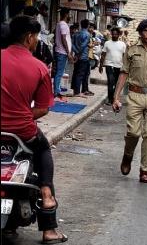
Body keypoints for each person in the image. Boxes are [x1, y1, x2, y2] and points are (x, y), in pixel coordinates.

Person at [1, 16, 68, 243]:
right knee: (43, 150)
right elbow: (42, 108)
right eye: (36, 37)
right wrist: (21, 116)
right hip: (23, 131)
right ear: (30, 37)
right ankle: (47, 206)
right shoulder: (39, 67)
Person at [112, 19, 147, 184]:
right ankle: (128, 155)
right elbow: (123, 73)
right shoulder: (131, 49)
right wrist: (116, 97)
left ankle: (145, 170)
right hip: (135, 96)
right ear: (140, 32)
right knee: (133, 133)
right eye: (146, 31)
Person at [99, 27, 127, 105]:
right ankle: (110, 99)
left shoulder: (122, 44)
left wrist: (125, 67)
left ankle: (115, 97)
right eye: (113, 34)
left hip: (119, 66)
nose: (114, 35)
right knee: (110, 82)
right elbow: (103, 55)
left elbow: (125, 56)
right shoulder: (107, 43)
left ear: (119, 35)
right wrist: (101, 65)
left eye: (116, 34)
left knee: (116, 83)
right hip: (109, 65)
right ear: (111, 34)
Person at [53, 8, 73, 99]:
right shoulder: (64, 25)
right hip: (62, 52)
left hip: (59, 51)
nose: (70, 16)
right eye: (69, 14)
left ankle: (57, 88)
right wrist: (68, 52)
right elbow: (63, 39)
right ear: (66, 14)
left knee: (59, 71)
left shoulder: (58, 24)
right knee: (59, 72)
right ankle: (56, 91)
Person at [71, 19, 93, 97]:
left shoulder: (76, 34)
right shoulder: (87, 34)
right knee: (80, 74)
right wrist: (79, 54)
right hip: (83, 56)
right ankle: (77, 92)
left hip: (77, 56)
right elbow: (83, 46)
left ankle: (77, 90)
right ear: (87, 25)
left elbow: (72, 44)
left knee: (76, 72)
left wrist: (76, 53)